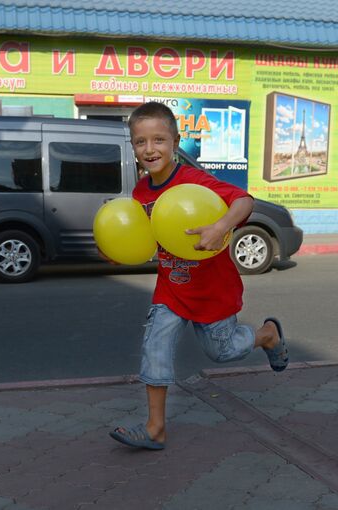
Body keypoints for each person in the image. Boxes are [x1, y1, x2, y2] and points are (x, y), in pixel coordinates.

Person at [108, 102, 288, 450]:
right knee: (154, 346)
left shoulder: (195, 181)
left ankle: (267, 335)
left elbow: (244, 200)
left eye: (159, 139)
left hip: (212, 288)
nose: (150, 149)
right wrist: (118, 250)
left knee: (222, 352)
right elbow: (147, 240)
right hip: (171, 290)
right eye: (140, 142)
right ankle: (155, 428)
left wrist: (220, 225)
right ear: (132, 147)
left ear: (175, 142)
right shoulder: (140, 194)